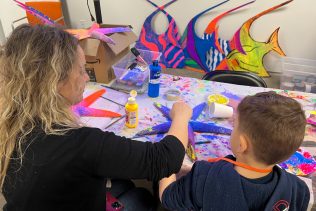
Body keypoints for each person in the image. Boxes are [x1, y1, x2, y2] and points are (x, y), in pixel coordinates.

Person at [0, 24, 192, 210]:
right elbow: (166, 158)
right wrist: (181, 116)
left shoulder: (8, 123)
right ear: (55, 82)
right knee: (140, 196)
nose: (86, 78)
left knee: (120, 182)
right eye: (82, 70)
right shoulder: (81, 144)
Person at [159, 91, 310, 210]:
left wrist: (167, 160)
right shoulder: (299, 190)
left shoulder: (205, 177)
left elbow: (167, 197)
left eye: (234, 126)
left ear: (242, 145)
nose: (232, 128)